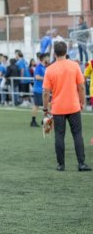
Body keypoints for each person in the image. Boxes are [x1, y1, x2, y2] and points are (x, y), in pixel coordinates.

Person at [42, 41, 91, 172]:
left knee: (59, 135)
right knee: (77, 135)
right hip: (74, 106)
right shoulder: (74, 66)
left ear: (54, 53)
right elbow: (81, 86)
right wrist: (83, 102)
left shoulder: (49, 69)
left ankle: (61, 165)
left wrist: (45, 109)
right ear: (66, 51)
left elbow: (46, 92)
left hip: (58, 108)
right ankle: (81, 163)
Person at [31, 53, 49, 127]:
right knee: (36, 106)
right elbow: (37, 77)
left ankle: (43, 120)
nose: (48, 59)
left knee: (47, 105)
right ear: (43, 58)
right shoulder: (39, 67)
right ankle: (33, 121)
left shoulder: (44, 67)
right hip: (38, 89)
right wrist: (46, 79)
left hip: (42, 89)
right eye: (47, 57)